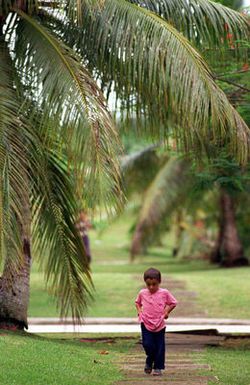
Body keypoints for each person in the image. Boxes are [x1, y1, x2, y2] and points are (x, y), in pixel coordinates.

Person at [135, 267, 177, 376]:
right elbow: (137, 303)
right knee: (148, 344)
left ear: (159, 282)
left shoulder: (164, 293)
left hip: (160, 325)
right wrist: (139, 311)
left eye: (154, 284)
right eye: (148, 284)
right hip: (146, 323)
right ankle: (149, 360)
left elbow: (173, 303)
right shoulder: (142, 293)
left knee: (159, 347)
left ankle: (158, 367)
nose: (151, 287)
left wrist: (166, 311)